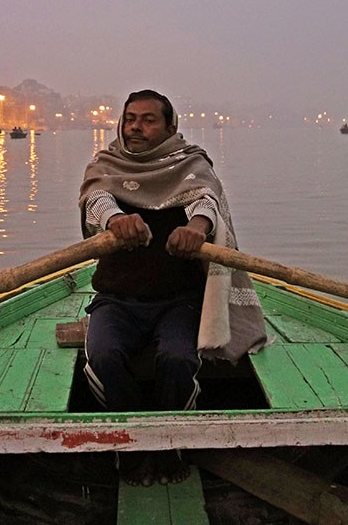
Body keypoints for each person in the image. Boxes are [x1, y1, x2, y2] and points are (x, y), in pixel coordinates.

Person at [78, 89, 266, 487]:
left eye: (148, 120)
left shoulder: (190, 163)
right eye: (130, 119)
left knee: (180, 360)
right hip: (116, 299)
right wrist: (116, 220)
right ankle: (131, 451)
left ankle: (169, 446)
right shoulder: (106, 163)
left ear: (169, 126)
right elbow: (95, 199)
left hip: (176, 301)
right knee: (104, 357)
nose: (136, 128)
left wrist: (196, 229)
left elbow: (206, 200)